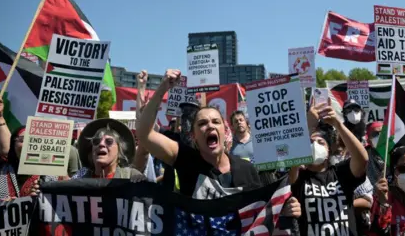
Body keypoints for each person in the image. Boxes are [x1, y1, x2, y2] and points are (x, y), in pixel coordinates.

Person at [137, 69, 301, 223]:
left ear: (225, 131)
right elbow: (145, 135)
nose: (210, 126)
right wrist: (163, 88)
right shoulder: (186, 160)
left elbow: (261, 216)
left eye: (216, 121)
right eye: (202, 123)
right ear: (194, 135)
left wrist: (285, 210)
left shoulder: (247, 170)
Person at [289, 98, 369, 236]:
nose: (314, 145)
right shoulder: (299, 176)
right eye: (310, 142)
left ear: (328, 152)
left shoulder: (341, 172)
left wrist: (338, 124)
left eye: (320, 142)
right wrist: (307, 126)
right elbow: (292, 168)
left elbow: (362, 159)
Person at [72, 118, 145, 180]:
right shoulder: (79, 178)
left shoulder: (131, 176)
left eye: (109, 141)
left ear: (120, 150)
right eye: (96, 141)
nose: (101, 144)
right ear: (91, 151)